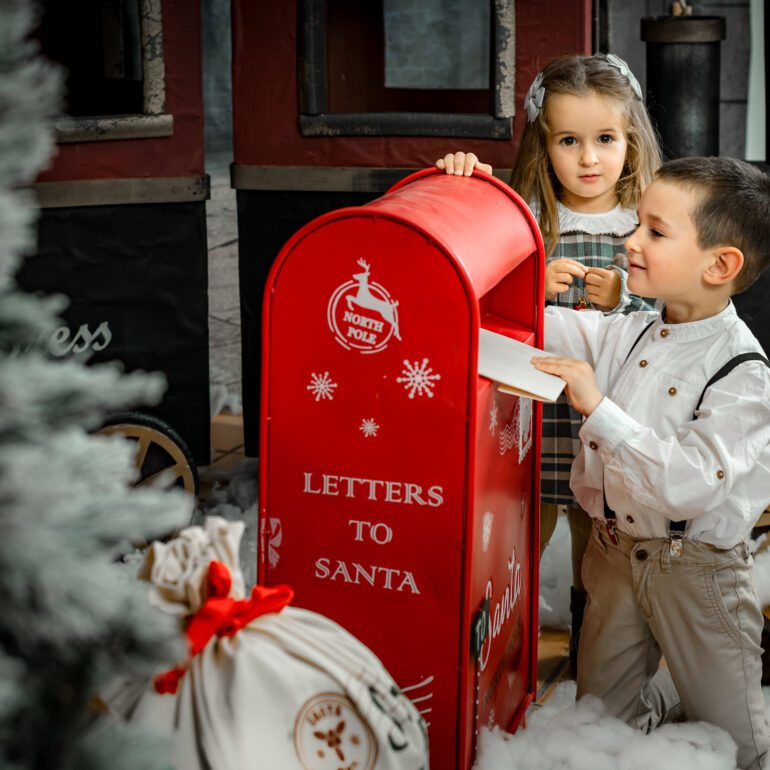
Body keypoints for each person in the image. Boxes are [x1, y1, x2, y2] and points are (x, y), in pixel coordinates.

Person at [529, 155, 770, 770]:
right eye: (638, 224)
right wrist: (524, 282)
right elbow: (531, 330)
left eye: (655, 233)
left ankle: (687, 691)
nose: (630, 242)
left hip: (699, 575)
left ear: (720, 266)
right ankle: (663, 697)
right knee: (597, 724)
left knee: (736, 745)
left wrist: (597, 406)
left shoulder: (743, 375)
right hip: (611, 556)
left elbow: (687, 486)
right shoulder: (629, 331)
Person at [438, 53, 661, 668]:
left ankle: (597, 664)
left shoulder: (649, 224)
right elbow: (470, 282)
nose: (588, 158)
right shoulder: (523, 219)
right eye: (569, 140)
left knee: (601, 544)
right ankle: (503, 659)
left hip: (606, 411)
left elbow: (682, 308)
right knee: (517, 535)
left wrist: (629, 291)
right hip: (529, 415)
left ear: (632, 143)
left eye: (605, 139)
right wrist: (466, 178)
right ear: (544, 143)